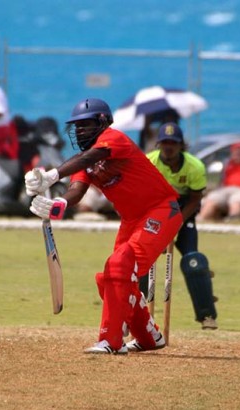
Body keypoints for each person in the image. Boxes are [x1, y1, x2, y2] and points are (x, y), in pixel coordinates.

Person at [25, 98, 182, 355]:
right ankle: (148, 337)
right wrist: (56, 204)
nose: (79, 131)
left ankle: (111, 341)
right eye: (76, 126)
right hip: (131, 219)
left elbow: (93, 155)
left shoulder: (114, 138)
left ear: (102, 122)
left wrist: (53, 175)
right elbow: (76, 191)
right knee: (109, 278)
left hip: (161, 210)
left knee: (120, 265)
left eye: (85, 125)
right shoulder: (83, 161)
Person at [144, 122, 218, 330]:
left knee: (194, 262)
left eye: (173, 143)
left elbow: (195, 199)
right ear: (159, 144)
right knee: (141, 260)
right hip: (155, 212)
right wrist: (160, 226)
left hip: (184, 212)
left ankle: (206, 314)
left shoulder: (195, 166)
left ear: (181, 145)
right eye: (165, 143)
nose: (169, 147)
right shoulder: (149, 162)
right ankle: (132, 316)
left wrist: (175, 224)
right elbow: (142, 194)